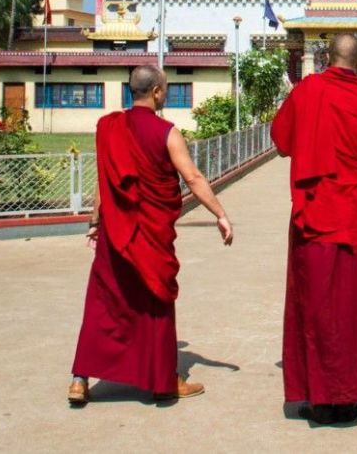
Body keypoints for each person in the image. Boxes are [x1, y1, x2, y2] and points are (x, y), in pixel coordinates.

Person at [69, 65, 234, 406]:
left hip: (115, 235)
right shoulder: (167, 132)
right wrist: (220, 214)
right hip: (149, 237)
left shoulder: (109, 127)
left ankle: (79, 380)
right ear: (157, 92)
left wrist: (95, 222)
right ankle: (165, 381)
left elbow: (106, 180)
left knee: (103, 306)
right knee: (156, 301)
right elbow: (193, 177)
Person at [271, 33, 357, 425]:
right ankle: (351, 395)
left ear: (327, 58)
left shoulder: (308, 91)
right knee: (353, 309)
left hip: (316, 217)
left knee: (316, 306)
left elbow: (282, 141)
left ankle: (318, 398)